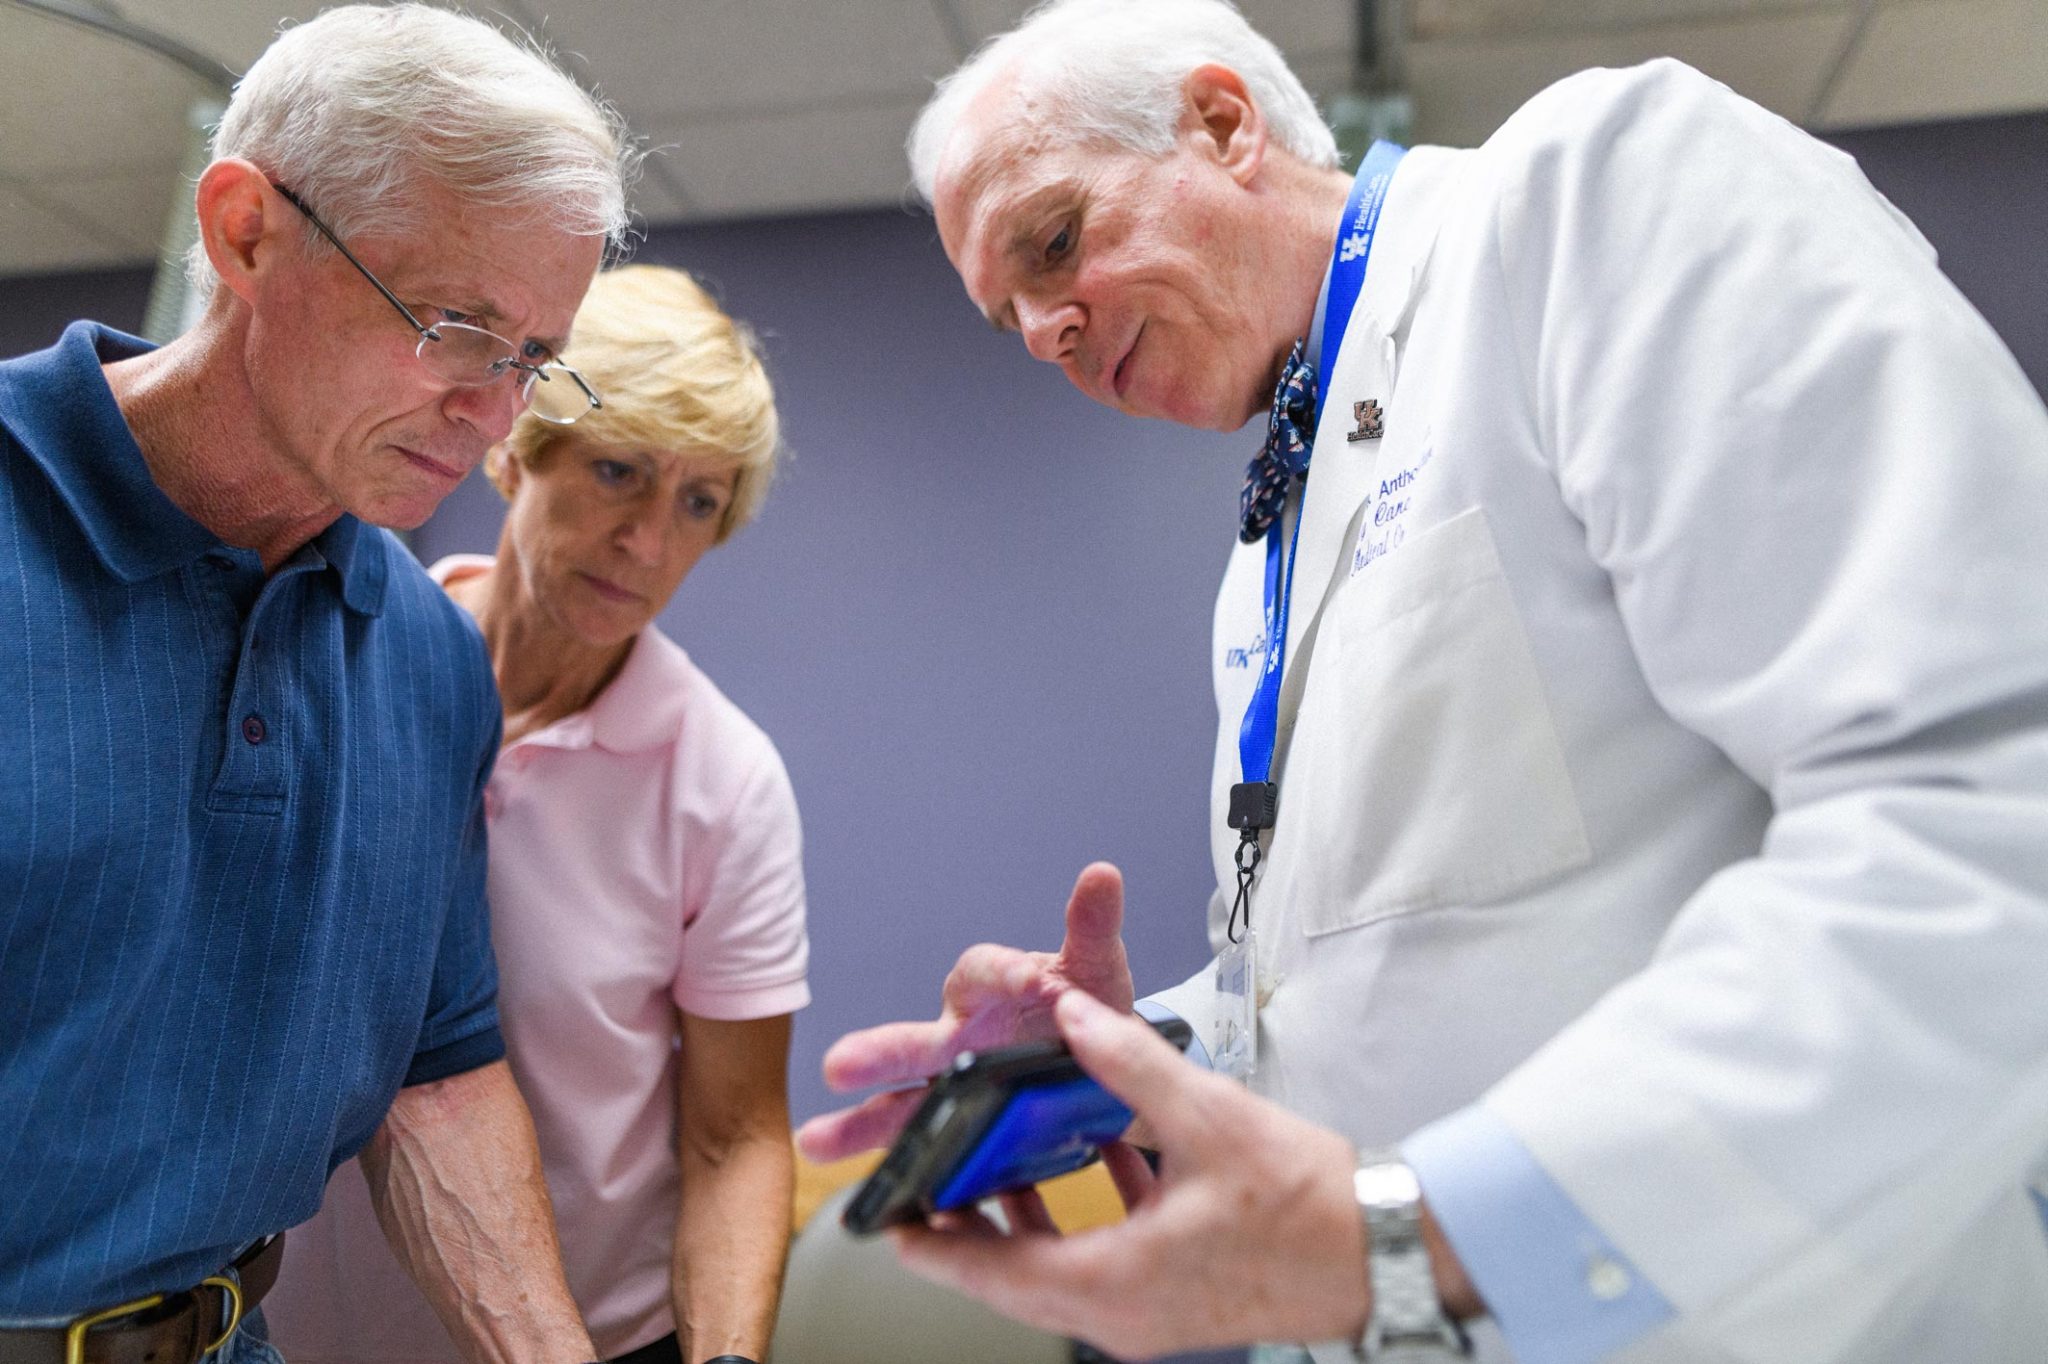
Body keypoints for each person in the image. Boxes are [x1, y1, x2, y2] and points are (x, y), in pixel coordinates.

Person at [798, 2, 2048, 1363]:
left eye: (1053, 243)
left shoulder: (1589, 196)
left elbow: (1988, 803)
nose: (1045, 331)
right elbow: (1362, 972)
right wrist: (1129, 1051)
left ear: (1222, 126)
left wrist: (1413, 1238)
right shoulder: (1267, 548)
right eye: (1008, 319)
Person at [0, 7, 635, 1362]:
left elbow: (437, 1076)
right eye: (457, 326)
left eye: (532, 359)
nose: (492, 412)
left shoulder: (428, 660)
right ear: (247, 233)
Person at [264, 265, 809, 1364]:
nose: (648, 542)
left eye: (698, 502)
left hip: (598, 1334)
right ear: (515, 448)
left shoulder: (722, 779)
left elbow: (736, 1136)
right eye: (618, 471)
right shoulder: (333, 660)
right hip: (297, 1332)